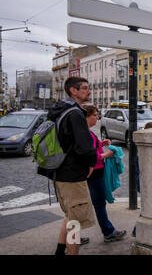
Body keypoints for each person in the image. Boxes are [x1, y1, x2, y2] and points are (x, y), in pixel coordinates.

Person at [37, 77, 97, 255]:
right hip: (72, 175)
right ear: (73, 90)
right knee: (75, 222)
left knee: (71, 216)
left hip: (59, 172)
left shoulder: (59, 110)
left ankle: (60, 250)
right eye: (85, 88)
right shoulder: (75, 113)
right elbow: (84, 146)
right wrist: (92, 163)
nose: (89, 91)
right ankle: (72, 253)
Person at [83, 104, 127, 242]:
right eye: (95, 115)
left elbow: (91, 150)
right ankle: (108, 232)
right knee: (99, 204)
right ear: (87, 117)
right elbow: (90, 156)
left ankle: (74, 236)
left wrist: (101, 144)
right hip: (94, 174)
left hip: (94, 173)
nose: (98, 118)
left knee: (96, 203)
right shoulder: (85, 133)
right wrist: (106, 154)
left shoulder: (87, 132)